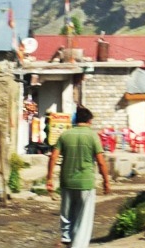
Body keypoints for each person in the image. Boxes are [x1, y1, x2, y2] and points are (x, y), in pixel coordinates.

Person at [46, 106, 110, 248]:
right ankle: (78, 245)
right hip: (85, 182)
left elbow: (53, 157)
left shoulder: (65, 135)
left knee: (67, 213)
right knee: (84, 217)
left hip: (67, 180)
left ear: (75, 120)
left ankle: (66, 238)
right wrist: (106, 181)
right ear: (89, 121)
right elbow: (101, 162)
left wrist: (49, 179)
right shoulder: (93, 136)